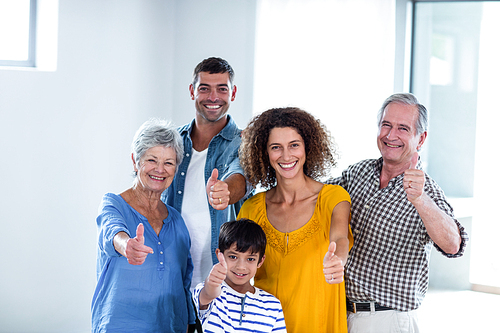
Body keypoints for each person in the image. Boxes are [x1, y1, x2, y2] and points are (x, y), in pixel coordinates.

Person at [327, 93, 469, 332]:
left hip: (386, 320)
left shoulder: (428, 191)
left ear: (420, 138)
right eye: (386, 125)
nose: (391, 136)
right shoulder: (358, 172)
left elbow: (453, 245)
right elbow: (316, 196)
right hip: (342, 313)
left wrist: (420, 200)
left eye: (403, 128)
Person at [237, 107, 352, 333]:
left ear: (308, 147)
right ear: (264, 153)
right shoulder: (251, 209)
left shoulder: (332, 197)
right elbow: (236, 272)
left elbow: (340, 237)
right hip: (264, 327)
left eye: (294, 145)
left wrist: (338, 261)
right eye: (276, 147)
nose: (286, 156)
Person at [91, 119, 194, 332]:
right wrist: (126, 245)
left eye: (169, 162)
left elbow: (183, 282)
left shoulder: (177, 221)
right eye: (152, 160)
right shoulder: (114, 204)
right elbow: (112, 231)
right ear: (135, 161)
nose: (160, 169)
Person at [162, 57, 248, 294]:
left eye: (222, 89)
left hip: (222, 279)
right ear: (192, 91)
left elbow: (241, 176)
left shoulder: (245, 143)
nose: (213, 97)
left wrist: (225, 191)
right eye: (204, 88)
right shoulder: (171, 142)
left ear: (233, 92)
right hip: (171, 273)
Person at [192, 218, 287, 332]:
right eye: (233, 257)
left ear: (260, 261)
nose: (241, 266)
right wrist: (211, 285)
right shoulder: (206, 292)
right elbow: (207, 294)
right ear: (219, 254)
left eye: (250, 259)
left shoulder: (273, 305)